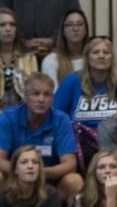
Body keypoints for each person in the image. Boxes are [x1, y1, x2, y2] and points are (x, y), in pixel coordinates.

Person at [0, 72, 83, 200]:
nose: (41, 99)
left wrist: (40, 172)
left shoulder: (61, 119)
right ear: (25, 97)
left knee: (74, 180)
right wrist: (22, 172)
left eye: (47, 94)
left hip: (50, 184)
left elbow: (70, 164)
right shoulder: (8, 117)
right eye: (35, 93)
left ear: (52, 98)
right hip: (16, 182)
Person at [54, 37, 117, 142]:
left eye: (106, 52)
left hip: (116, 139)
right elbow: (57, 114)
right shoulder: (72, 80)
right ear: (87, 57)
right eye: (95, 52)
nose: (101, 56)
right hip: (79, 141)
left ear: (112, 58)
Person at [0, 8, 38, 109]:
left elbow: (35, 91)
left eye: (12, 25)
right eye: (2, 25)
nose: (8, 29)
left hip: (23, 113)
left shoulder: (29, 58)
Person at [41, 8, 89, 87]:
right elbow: (54, 96)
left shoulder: (94, 57)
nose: (75, 29)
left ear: (86, 30)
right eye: (70, 25)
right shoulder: (51, 61)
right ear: (63, 31)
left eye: (80, 24)